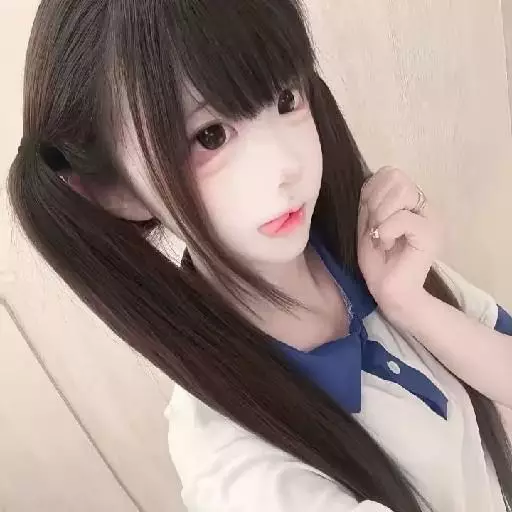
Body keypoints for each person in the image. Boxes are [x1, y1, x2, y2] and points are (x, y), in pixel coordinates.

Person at [8, 0, 512, 511]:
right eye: (210, 136)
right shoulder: (238, 469)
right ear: (116, 191)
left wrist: (413, 305)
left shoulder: (367, 254)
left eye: (286, 98)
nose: (285, 165)